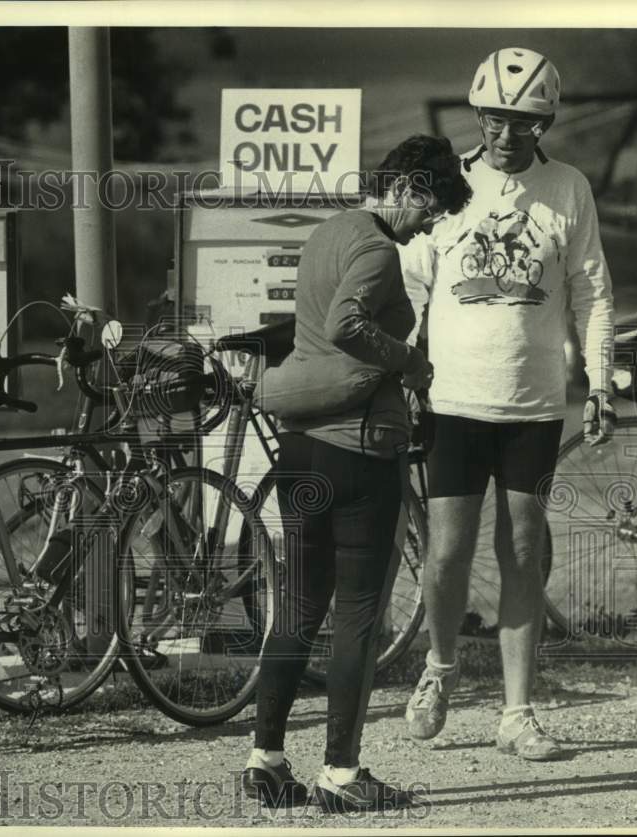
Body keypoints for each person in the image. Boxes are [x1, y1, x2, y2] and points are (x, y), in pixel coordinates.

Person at [241, 135, 471, 813]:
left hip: (301, 451)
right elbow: (346, 323)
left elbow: (317, 325)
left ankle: (267, 760)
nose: (428, 223)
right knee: (358, 617)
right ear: (405, 186)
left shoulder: (327, 233)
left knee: (300, 607)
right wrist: (406, 360)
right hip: (359, 451)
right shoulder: (375, 247)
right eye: (429, 206)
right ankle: (341, 774)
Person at [399, 47, 616, 760]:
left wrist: (602, 381)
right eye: (494, 116)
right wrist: (401, 372)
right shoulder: (449, 184)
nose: (505, 131)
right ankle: (439, 669)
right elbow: (411, 286)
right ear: (478, 113)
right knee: (448, 552)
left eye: (522, 120)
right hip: (453, 401)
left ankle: (518, 711)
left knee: (524, 549)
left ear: (544, 120)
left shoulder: (569, 188)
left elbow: (593, 293)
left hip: (532, 405)